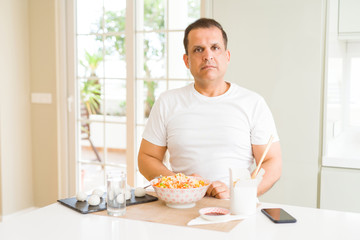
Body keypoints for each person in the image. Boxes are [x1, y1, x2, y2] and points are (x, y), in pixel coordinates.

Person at [138, 18, 282, 199]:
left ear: (227, 56)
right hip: (181, 206)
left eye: (215, 48)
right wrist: (183, 184)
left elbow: (272, 162)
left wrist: (238, 194)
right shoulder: (168, 102)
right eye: (198, 49)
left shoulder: (253, 103)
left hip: (235, 208)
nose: (208, 55)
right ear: (186, 60)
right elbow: (146, 158)